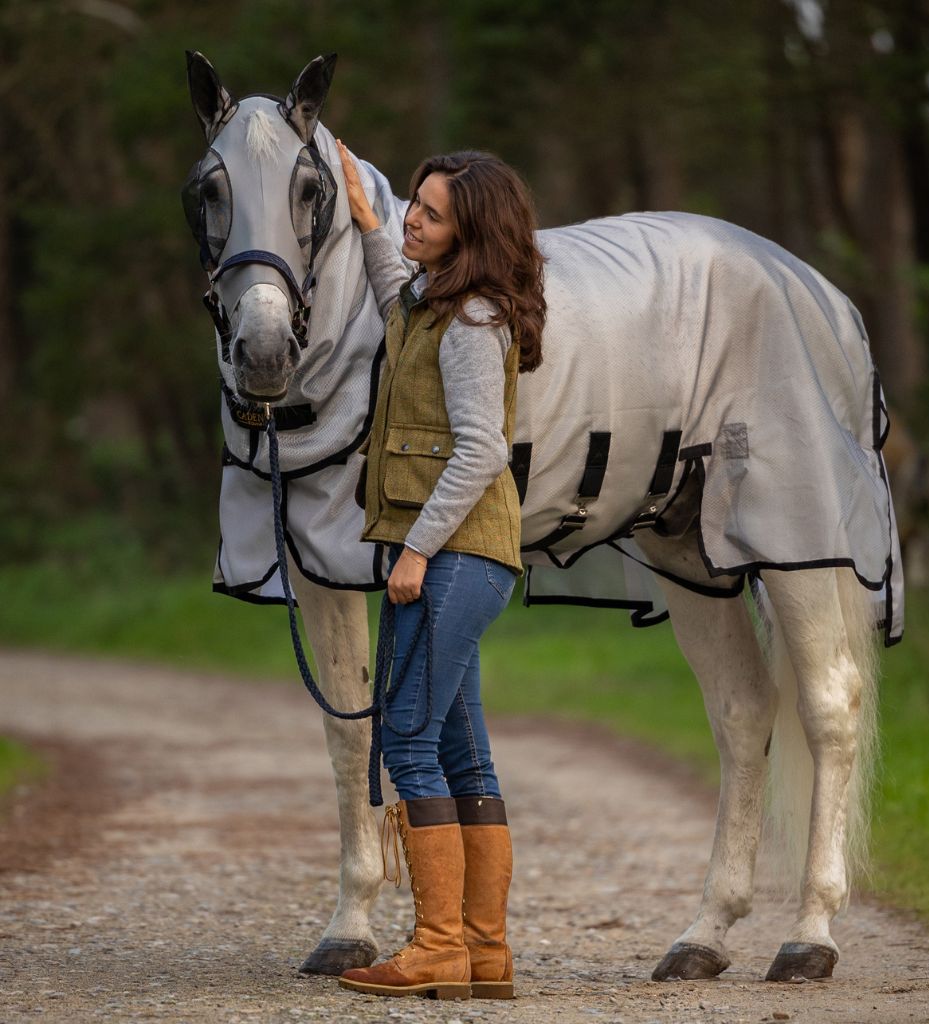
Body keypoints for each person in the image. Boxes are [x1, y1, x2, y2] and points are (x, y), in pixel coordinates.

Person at [333, 142, 546, 1001]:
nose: (414, 220)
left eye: (431, 213)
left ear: (470, 233)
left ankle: (437, 947)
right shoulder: (431, 302)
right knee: (463, 753)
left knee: (410, 740)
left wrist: (417, 549)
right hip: (464, 559)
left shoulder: (471, 323)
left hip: (455, 557)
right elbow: (394, 287)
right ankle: (484, 955)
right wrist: (369, 222)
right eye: (413, 205)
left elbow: (484, 449)